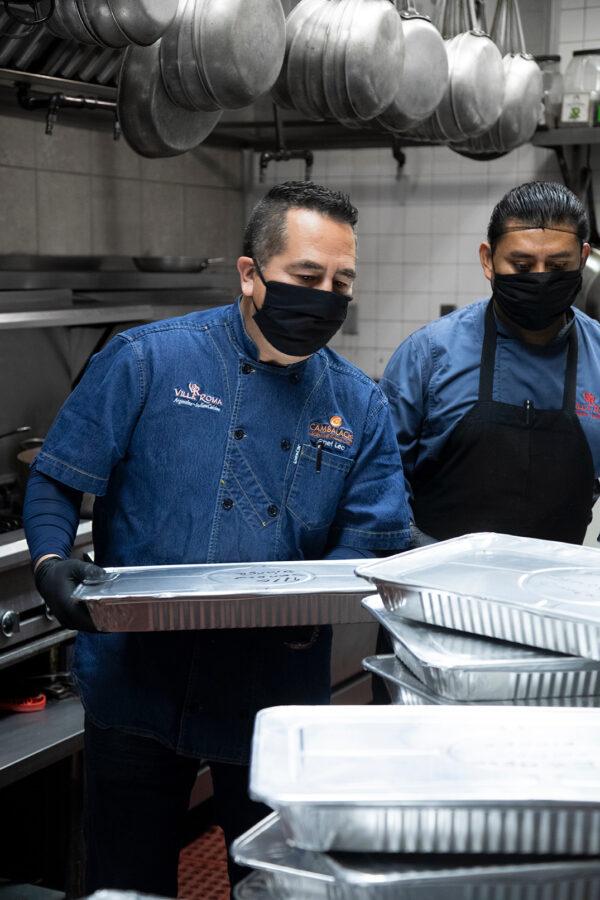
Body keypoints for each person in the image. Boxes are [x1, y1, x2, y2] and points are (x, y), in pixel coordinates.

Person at [23, 181, 411, 898]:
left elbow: (370, 541)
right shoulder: (146, 362)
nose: (325, 296)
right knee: (125, 886)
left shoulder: (360, 405)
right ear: (249, 274)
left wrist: (318, 595)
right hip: (135, 689)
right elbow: (55, 480)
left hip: (273, 701)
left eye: (341, 282)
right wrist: (50, 560)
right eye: (305, 277)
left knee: (273, 887)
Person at [382, 180, 599, 547]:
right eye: (522, 264)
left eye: (558, 265)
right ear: (488, 259)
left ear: (582, 258)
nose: (540, 277)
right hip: (436, 586)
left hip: (551, 592)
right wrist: (425, 558)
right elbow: (379, 482)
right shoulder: (428, 356)